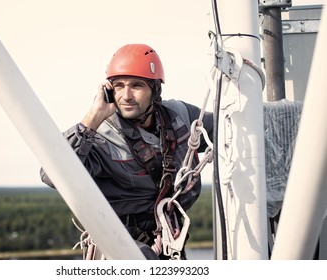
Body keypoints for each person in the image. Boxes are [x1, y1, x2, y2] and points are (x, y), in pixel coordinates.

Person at [40, 44, 213, 259]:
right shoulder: (100, 137)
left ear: (155, 89)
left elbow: (229, 128)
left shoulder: (179, 116)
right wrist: (93, 117)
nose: (126, 95)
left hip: (167, 240)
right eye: (119, 86)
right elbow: (51, 174)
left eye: (137, 86)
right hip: (118, 242)